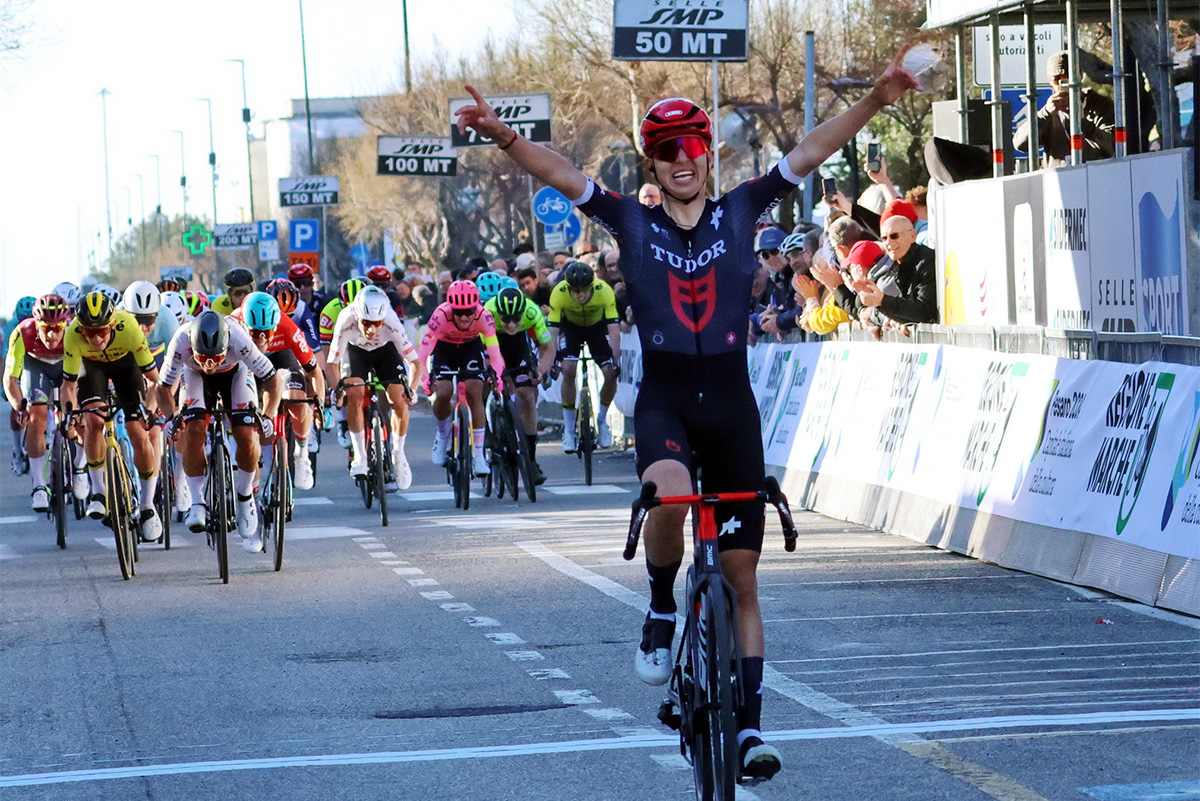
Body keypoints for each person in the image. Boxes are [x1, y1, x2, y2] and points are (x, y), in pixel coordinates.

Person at [454, 50, 916, 781]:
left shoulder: (741, 208)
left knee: (741, 578)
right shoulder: (630, 222)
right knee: (669, 492)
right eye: (666, 150)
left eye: (692, 146)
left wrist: (878, 101)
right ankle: (664, 604)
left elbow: (810, 148)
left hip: (731, 401)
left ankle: (748, 730)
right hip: (666, 398)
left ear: (708, 155)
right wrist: (503, 136)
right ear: (654, 160)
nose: (681, 160)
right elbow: (562, 173)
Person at [156, 310, 280, 552]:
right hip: (194, 377)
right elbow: (162, 389)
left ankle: (244, 497)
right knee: (193, 430)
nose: (210, 364)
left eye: (216, 357)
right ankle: (197, 503)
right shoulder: (181, 341)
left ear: (226, 345)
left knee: (246, 435)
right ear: (192, 348)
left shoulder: (239, 339)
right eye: (203, 357)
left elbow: (272, 379)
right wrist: (171, 419)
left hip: (236, 373)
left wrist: (268, 415)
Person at [60, 291, 164, 540]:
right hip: (92, 369)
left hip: (126, 368)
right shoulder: (73, 334)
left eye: (102, 331)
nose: (95, 338)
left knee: (138, 431)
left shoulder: (128, 326)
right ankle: (99, 493)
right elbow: (68, 387)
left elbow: (154, 380)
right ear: (80, 329)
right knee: (94, 420)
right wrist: (70, 415)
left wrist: (148, 411)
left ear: (112, 324)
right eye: (89, 332)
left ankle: (149, 505)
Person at [230, 292, 327, 492]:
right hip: (247, 361)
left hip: (281, 358)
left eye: (267, 332)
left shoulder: (288, 328)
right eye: (255, 332)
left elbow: (315, 371)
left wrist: (320, 404)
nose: (262, 338)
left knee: (297, 400)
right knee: (256, 413)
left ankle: (302, 454)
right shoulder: (233, 324)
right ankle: (266, 467)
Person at [327, 286, 422, 488]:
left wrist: (411, 390)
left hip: (385, 352)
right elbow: (331, 364)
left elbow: (416, 363)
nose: (371, 330)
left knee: (398, 397)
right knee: (354, 393)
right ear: (357, 316)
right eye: (366, 323)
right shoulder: (345, 319)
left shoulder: (391, 321)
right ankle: (360, 456)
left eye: (376, 324)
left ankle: (398, 453)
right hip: (355, 352)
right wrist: (337, 389)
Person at [4, 295, 86, 510]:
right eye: (45, 327)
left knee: (81, 415)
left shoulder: (76, 332)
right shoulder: (22, 332)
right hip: (37, 366)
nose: (51, 334)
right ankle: (39, 486)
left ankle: (79, 468)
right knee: (36, 416)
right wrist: (17, 405)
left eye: (57, 328)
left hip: (67, 366)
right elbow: (10, 378)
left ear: (65, 324)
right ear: (36, 324)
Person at [415, 280, 505, 477]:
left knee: (474, 389)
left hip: (470, 348)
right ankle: (442, 434)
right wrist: (425, 379)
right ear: (451, 309)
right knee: (444, 391)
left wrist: (497, 376)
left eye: (469, 311)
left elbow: (496, 356)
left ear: (476, 307)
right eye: (458, 312)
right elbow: (422, 355)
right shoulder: (440, 316)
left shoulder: (484, 316)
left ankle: (479, 456)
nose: (464, 317)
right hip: (444, 349)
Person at [547, 262, 621, 451]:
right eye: (576, 291)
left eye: (584, 291)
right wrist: (552, 359)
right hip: (571, 329)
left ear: (591, 286)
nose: (580, 295)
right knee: (569, 369)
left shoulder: (604, 290)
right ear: (568, 287)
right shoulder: (559, 293)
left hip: (597, 329)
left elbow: (613, 329)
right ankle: (569, 430)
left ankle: (602, 421)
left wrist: (615, 357)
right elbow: (553, 331)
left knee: (611, 373)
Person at [485, 286, 556, 483]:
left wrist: (541, 370)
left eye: (516, 319)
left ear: (522, 313)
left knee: (526, 393)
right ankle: (487, 430)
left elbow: (548, 348)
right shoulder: (487, 313)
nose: (510, 324)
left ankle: (531, 459)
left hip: (518, 346)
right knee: (483, 379)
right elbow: (484, 351)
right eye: (505, 319)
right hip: (493, 342)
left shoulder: (532, 311)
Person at [1014, 49, 1115, 168]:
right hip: (1058, 180)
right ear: (1050, 81)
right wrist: (1044, 114)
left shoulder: (1101, 105)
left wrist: (1082, 122)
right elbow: (1020, 145)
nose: (1065, 84)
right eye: (1058, 80)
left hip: (1094, 177)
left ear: (1080, 76)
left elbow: (1113, 146)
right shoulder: (1049, 112)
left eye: (1069, 78)